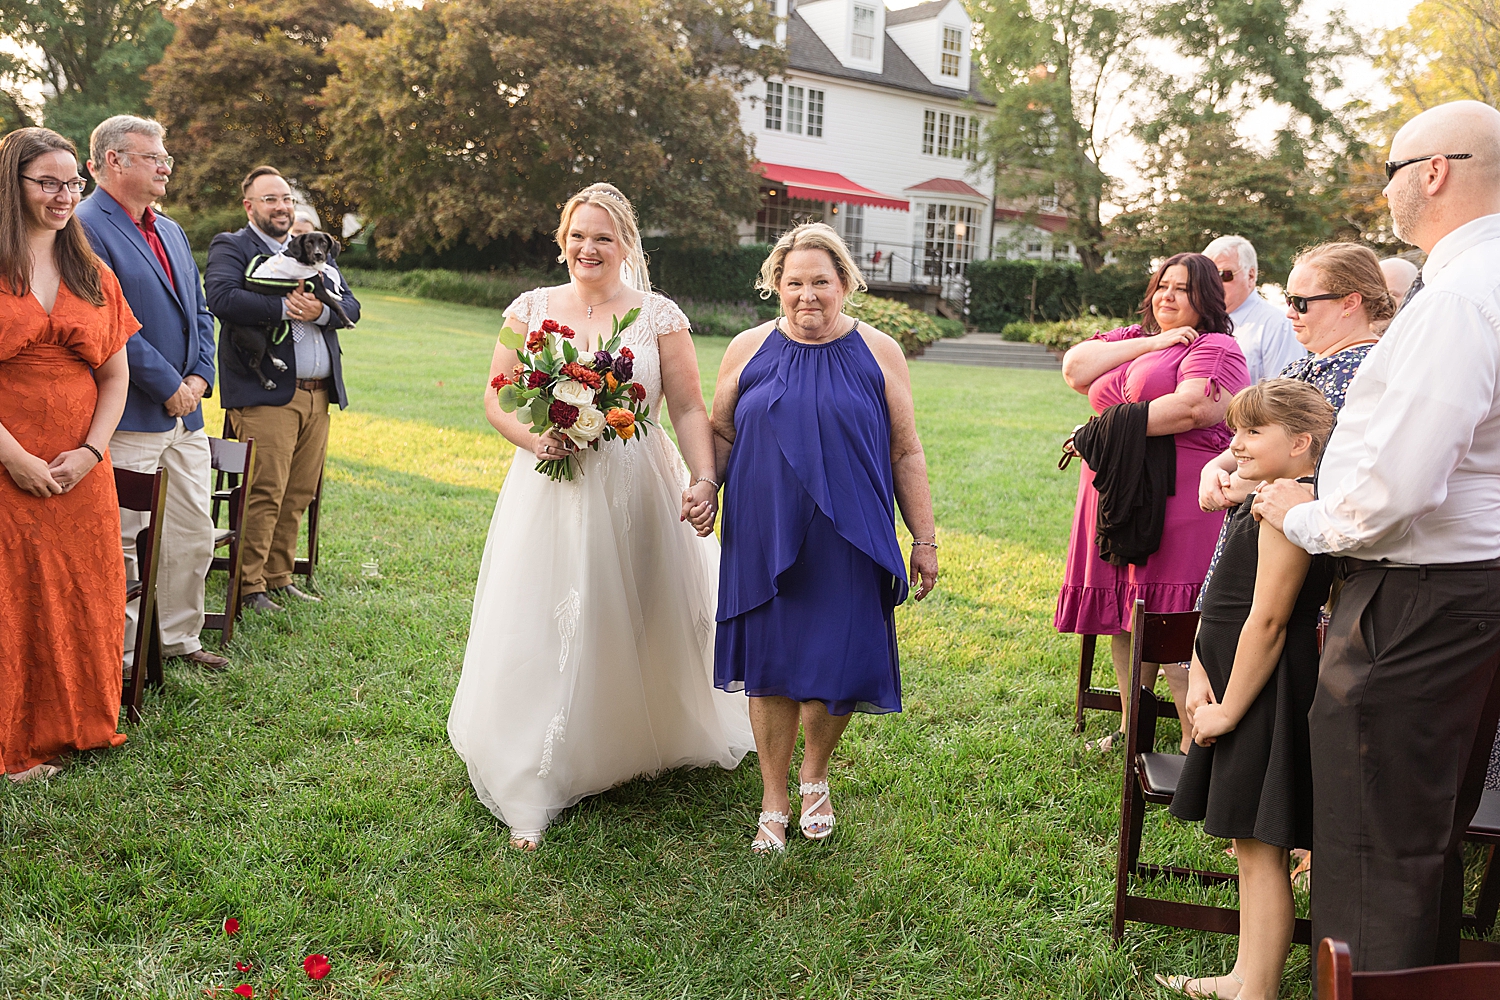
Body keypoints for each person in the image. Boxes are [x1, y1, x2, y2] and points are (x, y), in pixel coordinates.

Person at [1254, 99, 1500, 971]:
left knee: (1372, 848)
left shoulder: (1460, 298)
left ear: (1433, 172)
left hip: (1418, 600)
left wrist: (1302, 514)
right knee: (1422, 837)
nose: (1385, 187)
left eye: (1392, 168)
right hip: (1472, 588)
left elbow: (1399, 489)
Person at [447, 182, 753, 850]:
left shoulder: (659, 316)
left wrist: (705, 477)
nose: (590, 248)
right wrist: (534, 438)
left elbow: (691, 408)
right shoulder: (527, 309)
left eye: (604, 238)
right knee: (545, 610)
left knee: (638, 607)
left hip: (637, 480)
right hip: (551, 483)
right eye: (579, 235)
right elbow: (498, 398)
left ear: (626, 245)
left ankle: (629, 736)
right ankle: (536, 768)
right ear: (563, 240)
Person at [710, 223, 939, 852]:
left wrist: (924, 537)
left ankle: (815, 774)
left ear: (844, 284)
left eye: (821, 282)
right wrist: (706, 487)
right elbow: (722, 433)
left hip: (851, 530)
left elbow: (905, 448)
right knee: (771, 665)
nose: (807, 295)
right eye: (794, 283)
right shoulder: (746, 349)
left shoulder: (880, 350)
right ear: (775, 287)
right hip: (763, 528)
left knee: (836, 661)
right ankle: (774, 795)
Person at [1157, 380, 1336, 1000]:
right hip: (1228, 678)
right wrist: (1203, 674)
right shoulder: (1264, 497)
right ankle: (1245, 974)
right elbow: (1220, 599)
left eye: (1254, 432)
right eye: (1236, 430)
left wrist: (1229, 710)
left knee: (1261, 844)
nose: (1236, 444)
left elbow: (1268, 620)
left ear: (1302, 443)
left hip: (1262, 690)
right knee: (1246, 840)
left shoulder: (1293, 511)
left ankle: (1255, 985)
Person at [1056, 253, 1249, 753]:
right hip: (1114, 490)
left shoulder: (1216, 345)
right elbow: (1075, 369)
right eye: (1162, 286)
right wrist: (1156, 340)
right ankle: (1131, 724)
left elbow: (1192, 407)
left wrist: (1096, 431)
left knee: (1171, 609)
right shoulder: (1133, 338)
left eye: (1182, 290)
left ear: (1206, 297)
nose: (1167, 296)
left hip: (1178, 497)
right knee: (1126, 605)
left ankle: (1192, 737)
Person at [0, 127, 139, 781]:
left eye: (71, 183)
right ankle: (14, 744)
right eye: (48, 183)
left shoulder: (91, 271)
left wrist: (90, 450)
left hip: (82, 472)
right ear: (13, 185)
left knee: (84, 595)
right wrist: (15, 458)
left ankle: (77, 725)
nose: (64, 195)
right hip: (8, 468)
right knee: (14, 602)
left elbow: (116, 376)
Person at [75, 115, 227, 671]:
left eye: (166, 157)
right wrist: (168, 386)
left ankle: (179, 640)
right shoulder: (85, 227)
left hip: (187, 418)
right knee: (124, 542)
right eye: (154, 157)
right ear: (114, 160)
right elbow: (106, 324)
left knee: (194, 533)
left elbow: (201, 311)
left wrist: (199, 379)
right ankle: (120, 659)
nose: (166, 165)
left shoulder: (171, 229)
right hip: (132, 415)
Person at [204, 166, 360, 613]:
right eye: (270, 199)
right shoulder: (234, 246)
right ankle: (249, 586)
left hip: (319, 394)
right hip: (265, 392)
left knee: (298, 492)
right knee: (264, 490)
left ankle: (279, 576)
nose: (282, 207)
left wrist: (320, 312)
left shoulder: (318, 251)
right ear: (249, 205)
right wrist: (286, 308)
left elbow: (350, 305)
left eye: (287, 199)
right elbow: (221, 298)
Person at [1198, 242, 1391, 517]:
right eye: (1289, 300)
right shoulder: (1304, 365)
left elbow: (1322, 464)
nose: (1289, 312)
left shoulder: (1364, 370)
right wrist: (1215, 467)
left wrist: (1241, 485)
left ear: (1349, 303)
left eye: (1301, 303)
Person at [1203, 236, 1306, 383]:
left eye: (1224, 275)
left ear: (1250, 276)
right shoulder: (1197, 321)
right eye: (1208, 276)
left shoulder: (1277, 325)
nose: (1214, 283)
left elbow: (1286, 394)